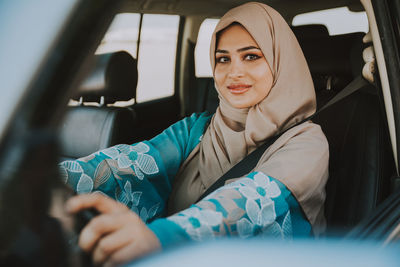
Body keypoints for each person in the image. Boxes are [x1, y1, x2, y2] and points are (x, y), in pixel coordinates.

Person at [60, 2, 329, 266]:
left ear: (280, 60)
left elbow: (250, 204)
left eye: (251, 56)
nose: (233, 72)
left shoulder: (306, 143)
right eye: (223, 59)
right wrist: (53, 180)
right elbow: (125, 164)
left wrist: (161, 238)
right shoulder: (198, 129)